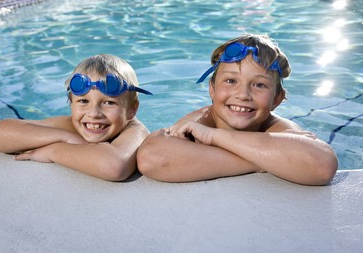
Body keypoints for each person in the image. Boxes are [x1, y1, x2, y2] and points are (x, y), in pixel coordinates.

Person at [137, 34, 338, 185]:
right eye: (231, 80)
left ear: (277, 99)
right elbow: (152, 158)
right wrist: (263, 160)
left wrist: (214, 137)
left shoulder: (275, 127)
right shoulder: (201, 121)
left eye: (259, 85)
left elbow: (322, 165)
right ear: (212, 89)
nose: (243, 94)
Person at [0, 54, 153, 181]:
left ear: (132, 109)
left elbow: (114, 167)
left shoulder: (135, 131)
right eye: (83, 101)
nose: (93, 113)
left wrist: (52, 151)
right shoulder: (71, 126)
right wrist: (66, 137)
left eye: (108, 103)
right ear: (71, 103)